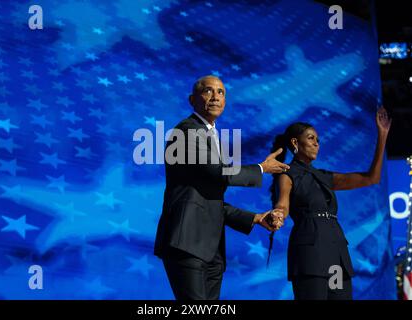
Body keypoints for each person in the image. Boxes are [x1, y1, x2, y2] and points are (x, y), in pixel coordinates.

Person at [154, 75, 288, 300]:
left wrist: (255, 218)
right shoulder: (186, 132)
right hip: (187, 243)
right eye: (208, 91)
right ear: (192, 99)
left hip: (211, 249)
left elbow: (208, 199)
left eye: (221, 92)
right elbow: (217, 172)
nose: (216, 97)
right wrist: (261, 168)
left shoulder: (210, 135)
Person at [270, 107, 391, 300]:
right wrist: (278, 214)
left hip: (336, 253)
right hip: (310, 253)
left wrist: (382, 136)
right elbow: (283, 204)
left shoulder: (324, 176)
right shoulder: (287, 174)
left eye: (318, 140)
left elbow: (372, 178)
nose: (317, 144)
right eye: (311, 138)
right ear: (295, 142)